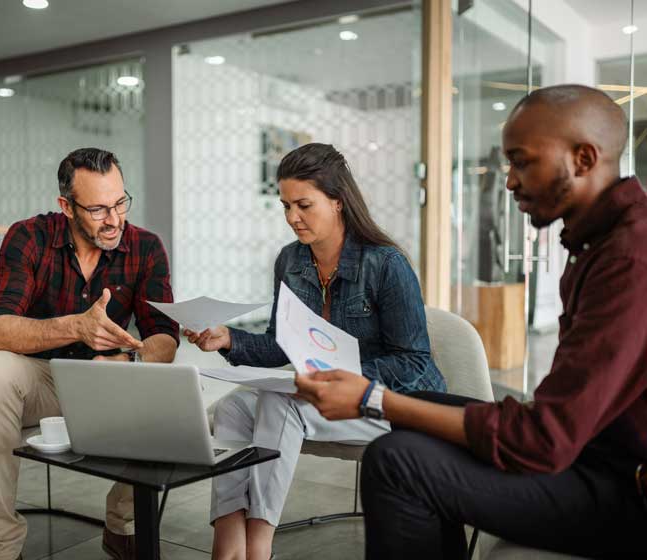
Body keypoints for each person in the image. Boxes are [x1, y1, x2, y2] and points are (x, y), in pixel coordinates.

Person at [295, 85, 647, 559]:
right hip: (593, 453)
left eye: (522, 161)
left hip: (627, 493)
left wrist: (373, 399)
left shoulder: (629, 259)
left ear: (583, 159)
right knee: (417, 417)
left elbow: (544, 441)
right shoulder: (598, 244)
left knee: (395, 461)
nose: (509, 181)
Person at [184, 143, 446, 560]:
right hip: (327, 397)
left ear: (338, 200)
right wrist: (229, 339)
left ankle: (259, 547)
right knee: (234, 409)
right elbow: (277, 345)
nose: (292, 218)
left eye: (303, 205)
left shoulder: (386, 264)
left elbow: (414, 362)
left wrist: (343, 377)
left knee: (280, 403)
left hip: (394, 405)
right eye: (286, 206)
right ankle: (228, 541)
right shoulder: (290, 261)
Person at [0, 147, 179, 560]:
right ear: (66, 206)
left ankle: (123, 524)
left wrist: (128, 361)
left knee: (173, 395)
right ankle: (2, 548)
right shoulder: (29, 237)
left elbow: (164, 337)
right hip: (39, 380)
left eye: (120, 203)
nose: (114, 220)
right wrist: (75, 325)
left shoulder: (146, 247)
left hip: (106, 380)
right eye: (98, 209)